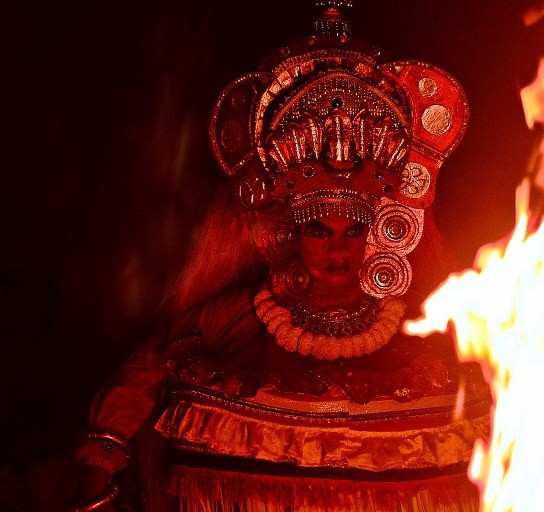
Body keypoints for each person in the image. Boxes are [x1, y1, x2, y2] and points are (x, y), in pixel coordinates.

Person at [71, 3, 491, 511]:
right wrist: (100, 463)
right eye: (319, 229)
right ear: (290, 233)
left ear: (379, 231)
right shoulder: (239, 316)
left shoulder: (423, 321)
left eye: (354, 229)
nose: (338, 248)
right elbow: (143, 372)